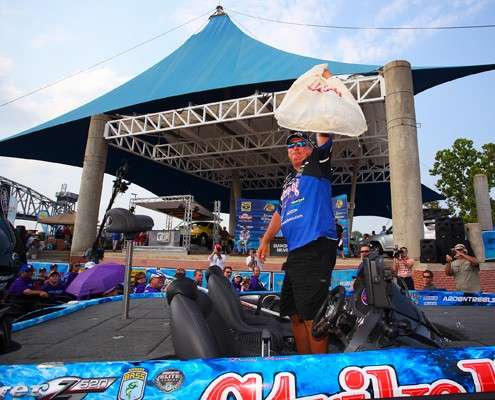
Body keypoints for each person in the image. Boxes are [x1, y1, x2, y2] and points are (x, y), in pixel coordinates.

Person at [258, 128, 337, 355]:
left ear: (312, 149)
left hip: (316, 246)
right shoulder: (289, 180)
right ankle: (303, 362)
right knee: (295, 315)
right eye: (291, 146)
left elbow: (324, 136)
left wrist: (317, 115)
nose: (296, 149)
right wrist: (265, 240)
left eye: (301, 144)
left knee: (313, 317)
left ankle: (318, 369)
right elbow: (280, 212)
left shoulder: (317, 165)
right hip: (296, 253)